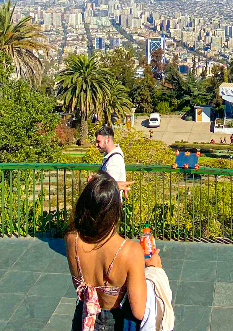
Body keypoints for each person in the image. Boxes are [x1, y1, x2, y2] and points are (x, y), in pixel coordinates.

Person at [65, 174, 162, 331]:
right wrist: (153, 269)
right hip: (112, 322)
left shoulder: (71, 239)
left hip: (82, 319)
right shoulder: (130, 251)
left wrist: (104, 188)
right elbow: (139, 311)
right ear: (116, 212)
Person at [94, 127, 131, 193]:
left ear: (107, 140)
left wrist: (93, 181)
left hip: (108, 202)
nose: (96, 145)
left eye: (98, 142)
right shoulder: (110, 154)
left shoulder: (114, 161)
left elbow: (108, 187)